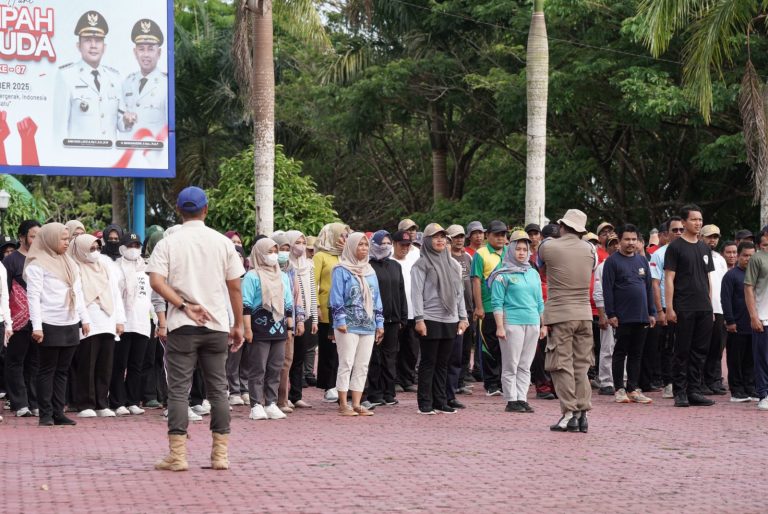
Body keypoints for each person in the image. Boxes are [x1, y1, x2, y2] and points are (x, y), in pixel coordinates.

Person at [147, 186, 245, 471]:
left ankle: (177, 457)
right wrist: (237, 324)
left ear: (178, 210)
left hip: (182, 326)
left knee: (178, 391)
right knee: (218, 390)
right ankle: (220, 456)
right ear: (206, 210)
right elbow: (235, 286)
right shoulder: (222, 242)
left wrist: (182, 305)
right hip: (215, 325)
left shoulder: (168, 242)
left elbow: (156, 281)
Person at [25, 223, 91, 426]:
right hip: (48, 322)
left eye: (67, 239)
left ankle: (58, 412)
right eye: (63, 239)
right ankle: (45, 414)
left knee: (62, 370)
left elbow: (78, 293)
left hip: (70, 321)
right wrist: (37, 326)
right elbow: (33, 297)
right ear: (50, 239)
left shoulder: (69, 262)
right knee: (47, 370)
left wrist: (84, 318)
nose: (66, 242)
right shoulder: (37, 264)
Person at [538, 209, 596, 432]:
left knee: (561, 365)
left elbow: (540, 266)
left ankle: (569, 414)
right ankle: (582, 414)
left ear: (562, 226)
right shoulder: (590, 249)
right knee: (582, 366)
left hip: (561, 314)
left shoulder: (549, 246)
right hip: (584, 314)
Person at [411, 224, 469, 415]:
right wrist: (419, 319)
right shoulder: (421, 264)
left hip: (450, 318)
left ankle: (440, 401)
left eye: (443, 237)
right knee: (429, 362)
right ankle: (425, 403)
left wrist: (463, 317)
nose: (440, 240)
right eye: (435, 237)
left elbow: (459, 293)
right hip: (429, 317)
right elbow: (416, 293)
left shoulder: (453, 264)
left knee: (444, 362)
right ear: (426, 241)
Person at [664, 204, 715, 408]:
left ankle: (694, 390)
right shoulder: (675, 247)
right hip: (683, 306)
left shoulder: (704, 247)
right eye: (694, 219)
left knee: (700, 351)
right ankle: (680, 391)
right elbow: (669, 278)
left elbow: (707, 278)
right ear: (684, 222)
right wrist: (669, 307)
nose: (698, 223)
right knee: (682, 350)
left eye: (700, 220)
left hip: (703, 307)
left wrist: (710, 305)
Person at [69, 234, 126, 418]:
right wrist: (84, 319)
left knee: (105, 364)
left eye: (97, 249)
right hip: (89, 321)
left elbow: (115, 294)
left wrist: (120, 319)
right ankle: (85, 403)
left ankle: (102, 402)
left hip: (108, 320)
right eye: (91, 249)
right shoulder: (75, 267)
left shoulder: (105, 266)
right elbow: (77, 297)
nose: (95, 253)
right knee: (87, 363)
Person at [489, 230, 545, 413]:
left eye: (524, 249)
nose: (521, 253)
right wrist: (499, 327)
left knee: (525, 364)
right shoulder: (501, 275)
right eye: (518, 249)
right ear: (511, 250)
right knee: (511, 363)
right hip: (511, 323)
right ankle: (511, 399)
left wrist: (543, 324)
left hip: (532, 323)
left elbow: (539, 301)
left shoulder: (532, 273)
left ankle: (522, 397)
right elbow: (497, 303)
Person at [53, 11, 128, 145]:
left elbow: (121, 125)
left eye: (98, 40)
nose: (93, 45)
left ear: (104, 47)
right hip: (80, 160)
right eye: (87, 40)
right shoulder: (67, 76)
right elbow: (59, 130)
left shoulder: (115, 78)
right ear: (79, 46)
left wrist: (128, 121)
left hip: (110, 160)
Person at [330, 232, 384, 416]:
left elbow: (376, 299)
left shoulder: (370, 271)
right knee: (346, 362)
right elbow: (336, 297)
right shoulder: (341, 269)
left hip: (367, 324)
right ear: (351, 247)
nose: (363, 248)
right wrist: (340, 320)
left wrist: (379, 323)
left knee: (362, 365)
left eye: (365, 245)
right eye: (359, 245)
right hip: (348, 324)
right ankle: (343, 404)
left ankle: (357, 403)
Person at [602, 224, 656, 405]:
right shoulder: (612, 261)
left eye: (634, 239)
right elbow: (607, 290)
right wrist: (611, 313)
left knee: (637, 353)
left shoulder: (642, 261)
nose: (630, 243)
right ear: (619, 240)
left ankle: (633, 388)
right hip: (622, 316)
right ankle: (619, 388)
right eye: (627, 239)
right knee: (620, 352)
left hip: (641, 316)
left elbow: (648, 288)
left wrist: (652, 312)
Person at [242, 238, 294, 421]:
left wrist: (289, 327)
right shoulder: (252, 276)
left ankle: (271, 402)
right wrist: (247, 329)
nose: (273, 255)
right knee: (258, 367)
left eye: (275, 251)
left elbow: (288, 304)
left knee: (275, 366)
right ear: (259, 253)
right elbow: (246, 305)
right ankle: (256, 404)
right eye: (269, 251)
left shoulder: (283, 276)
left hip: (278, 328)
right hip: (258, 328)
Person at [110, 232, 154, 415]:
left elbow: (152, 296)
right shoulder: (115, 268)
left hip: (142, 322)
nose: (134, 250)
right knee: (120, 364)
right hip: (123, 323)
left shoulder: (147, 268)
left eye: (137, 246)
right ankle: (117, 401)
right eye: (130, 246)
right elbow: (113, 295)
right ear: (122, 248)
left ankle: (133, 400)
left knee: (137, 364)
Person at [3, 220, 41, 417]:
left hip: (38, 321)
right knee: (15, 361)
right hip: (17, 321)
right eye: (33, 236)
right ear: (22, 237)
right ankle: (20, 403)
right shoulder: (10, 261)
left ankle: (34, 402)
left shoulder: (42, 259)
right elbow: (4, 291)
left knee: (34, 362)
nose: (36, 240)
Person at [365, 230, 407, 408]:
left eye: (388, 243)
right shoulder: (368, 266)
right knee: (375, 357)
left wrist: (402, 317)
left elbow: (401, 292)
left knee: (390, 357)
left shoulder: (395, 266)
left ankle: (389, 392)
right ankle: (375, 393)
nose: (385, 246)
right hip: (374, 320)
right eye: (381, 243)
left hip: (393, 319)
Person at [471, 220, 509, 396]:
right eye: (497, 234)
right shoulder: (481, 253)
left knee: (506, 346)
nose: (500, 238)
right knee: (489, 346)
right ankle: (491, 383)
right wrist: (478, 306)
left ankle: (504, 381)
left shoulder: (511, 252)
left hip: (508, 308)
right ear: (488, 235)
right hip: (487, 307)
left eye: (503, 234)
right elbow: (476, 280)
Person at [313, 223, 350, 403]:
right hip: (327, 308)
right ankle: (329, 385)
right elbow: (314, 282)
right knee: (329, 350)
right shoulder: (321, 256)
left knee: (345, 350)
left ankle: (343, 384)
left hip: (348, 309)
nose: (345, 239)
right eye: (341, 236)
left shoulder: (347, 256)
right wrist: (316, 307)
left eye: (346, 236)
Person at [649, 217, 684, 399]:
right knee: (668, 347)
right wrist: (660, 311)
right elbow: (655, 284)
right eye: (675, 230)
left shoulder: (691, 251)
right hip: (666, 306)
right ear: (666, 233)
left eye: (681, 229)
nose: (678, 233)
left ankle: (686, 383)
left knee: (686, 346)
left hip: (687, 306)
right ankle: (669, 383)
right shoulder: (659, 254)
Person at [285, 230, 318, 409]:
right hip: (290, 316)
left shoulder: (309, 265)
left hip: (305, 316)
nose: (301, 246)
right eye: (297, 242)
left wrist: (313, 319)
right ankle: (283, 395)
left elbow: (312, 293)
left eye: (303, 242)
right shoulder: (286, 265)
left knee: (300, 357)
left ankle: (296, 395)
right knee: (287, 358)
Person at [721, 242, 756, 402]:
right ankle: (736, 390)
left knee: (750, 359)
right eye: (745, 255)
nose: (748, 258)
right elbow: (725, 300)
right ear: (739, 256)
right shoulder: (731, 276)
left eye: (751, 255)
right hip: (736, 325)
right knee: (735, 359)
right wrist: (730, 321)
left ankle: (750, 388)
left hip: (754, 325)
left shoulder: (757, 275)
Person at [122, 19, 168, 137]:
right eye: (141, 49)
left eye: (151, 49)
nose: (146, 54)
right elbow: (120, 122)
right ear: (135, 52)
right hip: (128, 151)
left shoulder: (166, 84)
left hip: (154, 152)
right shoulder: (127, 82)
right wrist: (125, 123)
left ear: (159, 53)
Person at [446, 224, 473, 405]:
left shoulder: (468, 257)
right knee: (450, 353)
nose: (459, 240)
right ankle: (447, 389)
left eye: (461, 236)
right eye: (455, 237)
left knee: (464, 349)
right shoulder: (444, 259)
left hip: (466, 310)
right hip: (448, 313)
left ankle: (459, 382)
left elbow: (470, 282)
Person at [700, 225, 728, 395]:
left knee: (717, 348)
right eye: (709, 236)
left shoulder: (719, 258)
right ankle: (700, 381)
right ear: (701, 236)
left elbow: (724, 285)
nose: (713, 240)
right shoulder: (698, 255)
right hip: (703, 307)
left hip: (720, 308)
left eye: (716, 237)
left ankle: (714, 380)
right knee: (702, 347)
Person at [392, 230, 419, 392]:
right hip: (395, 312)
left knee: (411, 348)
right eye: (402, 245)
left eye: (408, 245)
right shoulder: (389, 262)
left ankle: (407, 379)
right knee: (395, 348)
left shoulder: (414, 261)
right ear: (394, 244)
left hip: (413, 311)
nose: (405, 248)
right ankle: (394, 379)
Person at [745, 230, 768, 411]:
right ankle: (763, 394)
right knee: (762, 359)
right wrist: (754, 316)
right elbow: (749, 287)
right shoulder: (757, 259)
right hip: (763, 317)